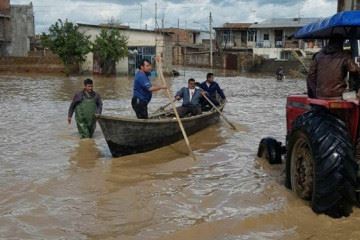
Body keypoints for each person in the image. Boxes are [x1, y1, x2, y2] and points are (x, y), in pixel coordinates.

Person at [307, 34, 360, 99]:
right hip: (338, 94)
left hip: (320, 95)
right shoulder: (344, 56)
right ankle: (355, 92)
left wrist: (314, 94)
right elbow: (354, 70)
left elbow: (310, 76)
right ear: (341, 43)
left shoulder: (318, 56)